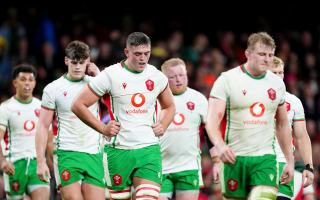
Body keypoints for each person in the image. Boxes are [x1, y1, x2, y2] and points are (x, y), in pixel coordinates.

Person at [71, 32, 176, 200]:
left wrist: (164, 123)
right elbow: (77, 105)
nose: (143, 58)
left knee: (148, 197)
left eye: (146, 54)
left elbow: (170, 106)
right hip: (118, 151)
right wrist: (102, 128)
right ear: (127, 52)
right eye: (137, 54)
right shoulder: (110, 75)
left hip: (148, 150)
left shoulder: (156, 76)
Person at [205, 32, 294, 199]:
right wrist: (220, 146)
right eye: (261, 54)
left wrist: (289, 160)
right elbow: (211, 121)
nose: (267, 59)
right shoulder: (227, 80)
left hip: (265, 159)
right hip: (234, 159)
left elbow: (282, 124)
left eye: (270, 55)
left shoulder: (277, 84)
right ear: (247, 54)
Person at [35, 40, 105, 200]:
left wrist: (100, 76)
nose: (78, 67)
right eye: (74, 62)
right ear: (66, 60)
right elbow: (42, 126)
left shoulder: (95, 84)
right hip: (67, 153)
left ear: (88, 61)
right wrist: (40, 161)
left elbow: (114, 103)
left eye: (82, 62)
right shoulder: (53, 88)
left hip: (93, 153)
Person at [158, 58, 208, 200]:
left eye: (182, 75)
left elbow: (209, 133)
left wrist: (216, 161)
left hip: (189, 167)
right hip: (160, 167)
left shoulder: (199, 99)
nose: (178, 80)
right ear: (164, 79)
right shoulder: (155, 100)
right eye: (172, 77)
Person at [0, 64, 50, 199]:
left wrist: (52, 164)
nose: (27, 83)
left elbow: (49, 138)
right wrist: (2, 161)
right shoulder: (5, 108)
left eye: (31, 79)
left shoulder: (42, 107)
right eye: (23, 79)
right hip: (14, 165)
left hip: (37, 163)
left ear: (34, 83)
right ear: (15, 83)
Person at [269, 56, 314, 200]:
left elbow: (301, 136)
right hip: (261, 162)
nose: (278, 76)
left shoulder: (294, 102)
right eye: (273, 73)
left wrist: (309, 167)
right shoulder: (253, 98)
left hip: (284, 164)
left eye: (280, 72)